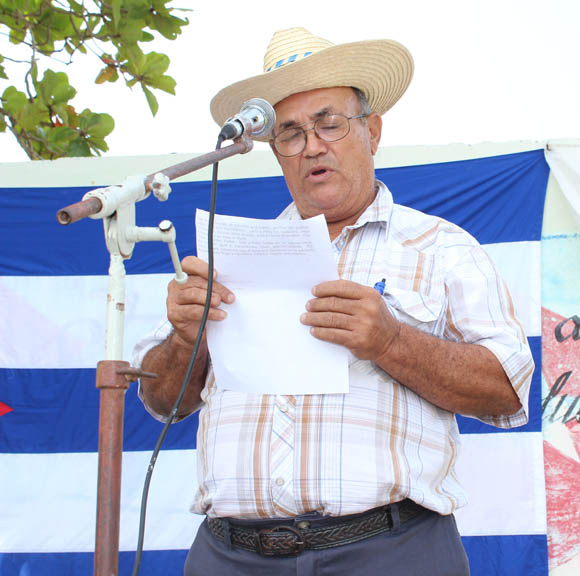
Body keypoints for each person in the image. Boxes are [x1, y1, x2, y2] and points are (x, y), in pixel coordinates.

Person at [133, 27, 534, 576]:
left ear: (372, 131)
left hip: (391, 553)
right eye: (291, 133)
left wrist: (391, 341)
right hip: (230, 557)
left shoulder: (441, 247)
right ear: (275, 151)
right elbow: (162, 402)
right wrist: (187, 337)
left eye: (329, 123)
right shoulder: (226, 257)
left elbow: (508, 394)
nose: (313, 145)